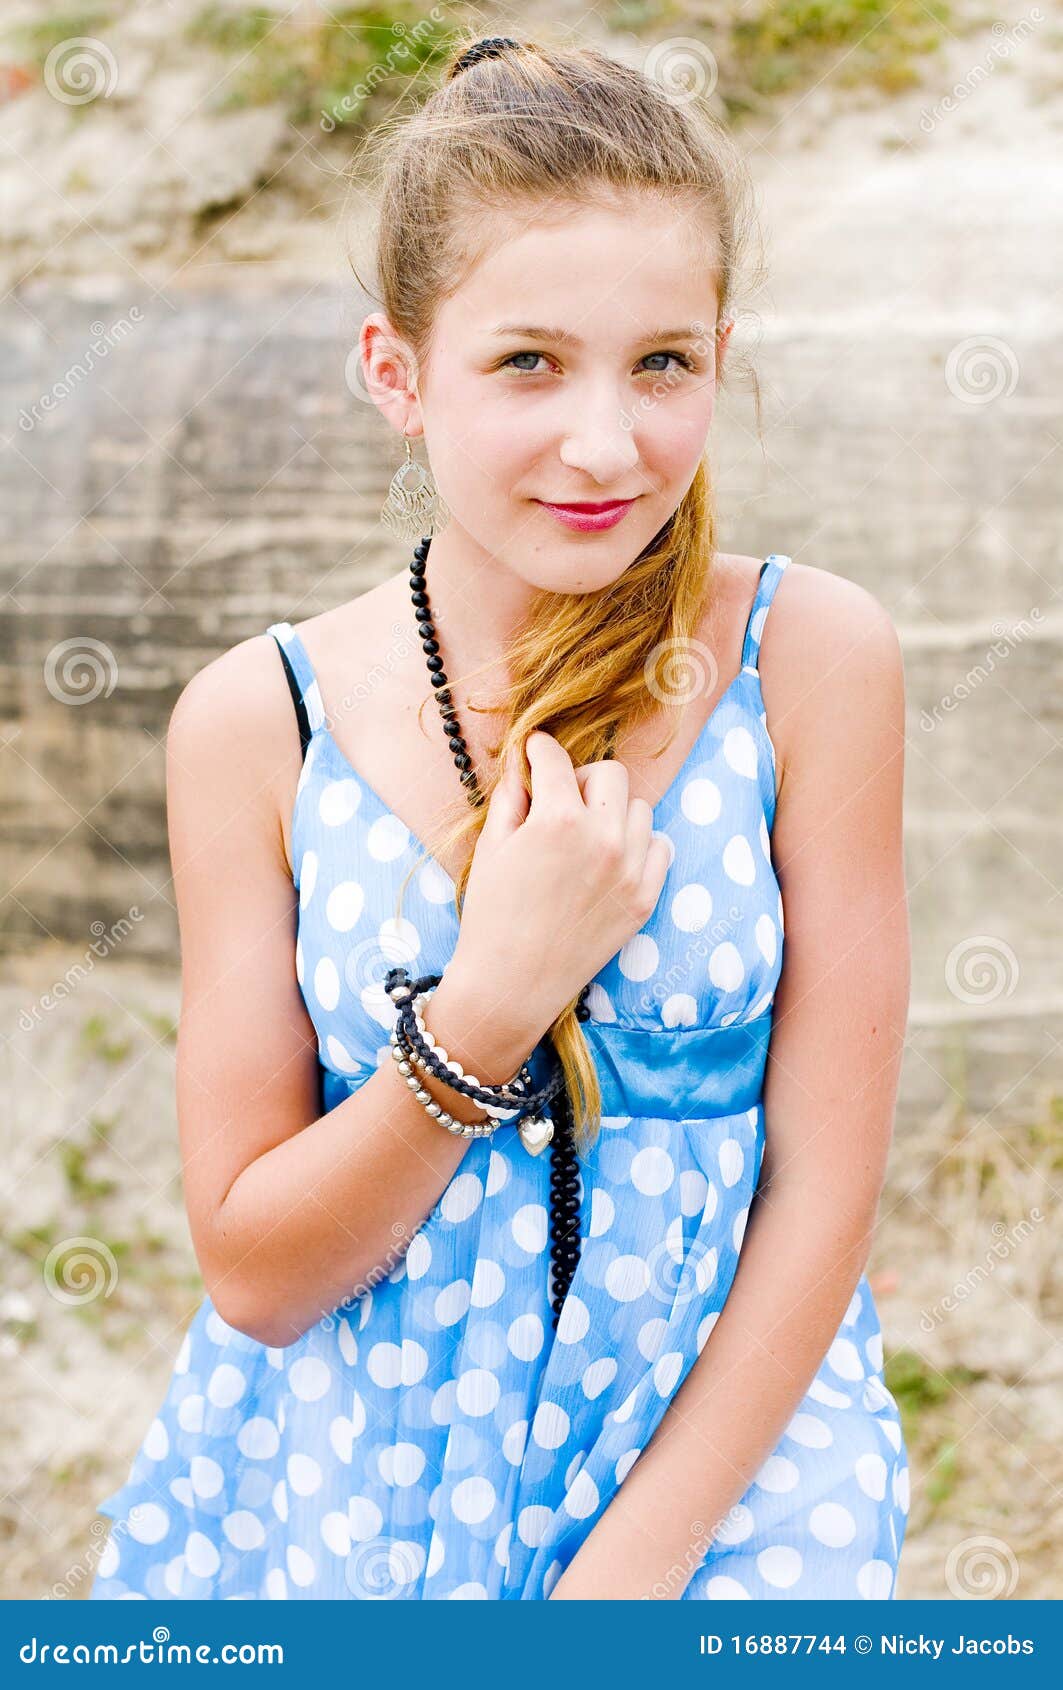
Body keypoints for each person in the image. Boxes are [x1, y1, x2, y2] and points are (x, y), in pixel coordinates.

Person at [89, 31, 911, 1601]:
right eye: (528, 361)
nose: (607, 443)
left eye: (662, 361)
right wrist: (495, 997)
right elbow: (256, 1270)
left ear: (719, 358)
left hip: (729, 1483)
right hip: (344, 1493)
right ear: (396, 373)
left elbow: (825, 1188)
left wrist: (632, 1574)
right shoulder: (262, 722)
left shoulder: (808, 660)